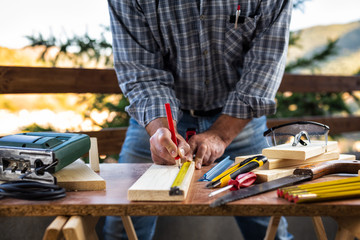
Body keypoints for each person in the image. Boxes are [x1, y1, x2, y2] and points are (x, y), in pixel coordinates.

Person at [104, 0, 293, 239]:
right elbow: (141, 73)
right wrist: (160, 130)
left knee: (269, 229)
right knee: (123, 226)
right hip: (159, 120)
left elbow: (264, 68)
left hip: (238, 118)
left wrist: (221, 134)